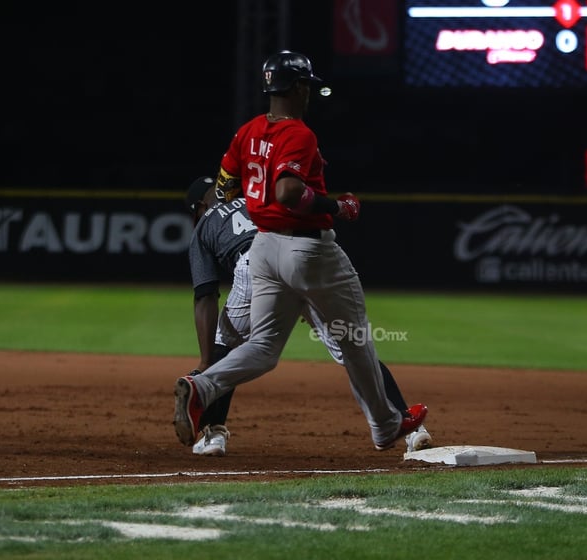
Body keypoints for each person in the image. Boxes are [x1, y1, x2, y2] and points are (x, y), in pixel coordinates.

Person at [174, 50, 428, 452]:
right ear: (294, 87)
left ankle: (202, 386)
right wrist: (337, 206)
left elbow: (224, 188)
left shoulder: (247, 132)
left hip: (263, 250)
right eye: (306, 85)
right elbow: (288, 191)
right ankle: (385, 425)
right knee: (354, 338)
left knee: (262, 348)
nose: (309, 92)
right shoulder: (300, 134)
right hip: (307, 251)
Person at [183, 176, 433, 456]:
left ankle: (214, 434)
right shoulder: (259, 198)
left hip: (257, 265)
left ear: (200, 207)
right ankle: (410, 428)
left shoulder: (205, 224)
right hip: (301, 255)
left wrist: (206, 360)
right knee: (353, 347)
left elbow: (205, 294)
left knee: (225, 346)